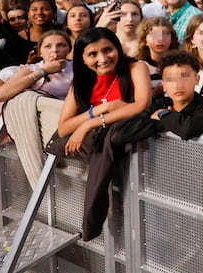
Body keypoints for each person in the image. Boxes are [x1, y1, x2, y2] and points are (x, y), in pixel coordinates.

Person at [49, 28, 152, 240]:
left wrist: (88, 125)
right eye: (92, 54)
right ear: (82, 59)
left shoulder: (136, 67)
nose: (103, 59)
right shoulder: (80, 83)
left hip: (134, 154)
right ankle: (96, 227)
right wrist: (98, 110)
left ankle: (92, 224)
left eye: (108, 50)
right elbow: (64, 128)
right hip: (99, 152)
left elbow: (141, 104)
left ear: (118, 48)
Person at [0, 30, 74, 188]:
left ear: (68, 48)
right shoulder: (31, 69)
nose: (55, 50)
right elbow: (0, 95)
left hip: (72, 122)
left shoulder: (79, 67)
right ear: (40, 50)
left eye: (61, 45)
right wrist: (42, 71)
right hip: (45, 127)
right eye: (48, 46)